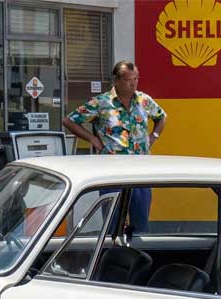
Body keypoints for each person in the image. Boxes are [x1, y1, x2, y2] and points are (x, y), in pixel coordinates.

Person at [62, 61, 167, 232]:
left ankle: (139, 256)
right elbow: (69, 121)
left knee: (141, 225)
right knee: (112, 224)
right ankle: (111, 256)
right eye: (128, 80)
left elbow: (161, 117)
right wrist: (92, 139)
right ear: (116, 80)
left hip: (141, 172)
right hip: (112, 172)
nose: (133, 83)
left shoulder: (144, 100)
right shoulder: (101, 103)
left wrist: (153, 136)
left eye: (136, 79)